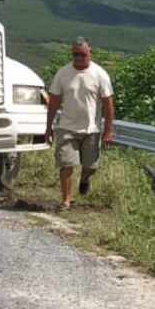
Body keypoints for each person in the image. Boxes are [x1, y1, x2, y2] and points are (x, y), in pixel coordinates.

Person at [45, 38, 114, 209]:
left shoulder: (99, 74)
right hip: (67, 127)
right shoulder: (63, 73)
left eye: (82, 54)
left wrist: (108, 131)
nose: (79, 58)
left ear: (90, 52)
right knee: (66, 165)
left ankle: (84, 178)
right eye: (75, 54)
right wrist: (49, 127)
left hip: (91, 129)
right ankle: (66, 200)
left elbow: (108, 103)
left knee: (91, 166)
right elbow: (53, 101)